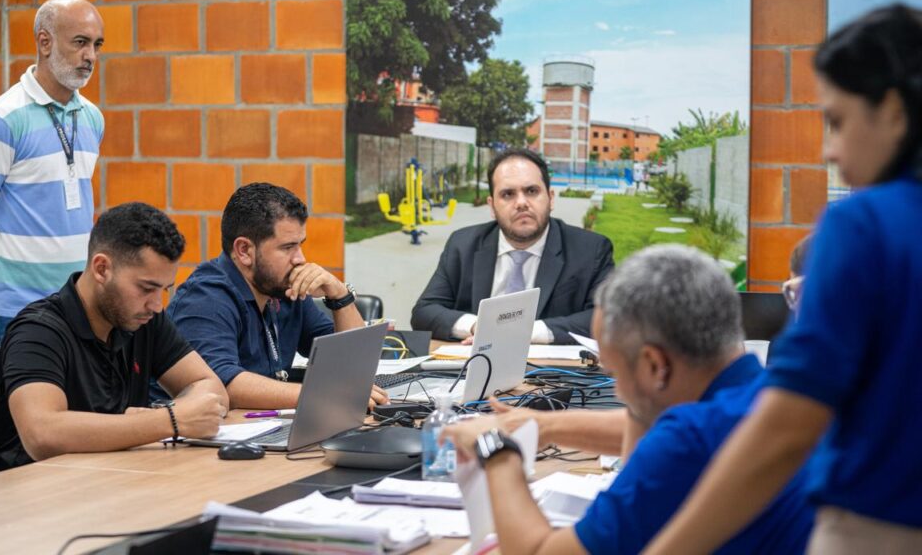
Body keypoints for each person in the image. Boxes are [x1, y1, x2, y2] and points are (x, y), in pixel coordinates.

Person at [646, 4, 922, 555]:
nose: (827, 150)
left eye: (838, 122)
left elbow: (785, 427)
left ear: (892, 112)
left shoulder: (862, 226)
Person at [442, 245, 813, 555]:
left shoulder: (684, 443)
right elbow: (650, 423)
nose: (618, 393)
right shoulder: (778, 399)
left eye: (617, 373)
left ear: (655, 364)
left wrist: (496, 451)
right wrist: (541, 425)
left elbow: (540, 551)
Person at [0, 203, 228, 471]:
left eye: (164, 290)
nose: (157, 304)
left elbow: (211, 386)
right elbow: (41, 434)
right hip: (44, 498)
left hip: (117, 481)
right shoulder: (38, 331)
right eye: (146, 288)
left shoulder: (143, 318)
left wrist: (176, 415)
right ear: (102, 268)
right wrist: (169, 420)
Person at [0, 0, 105, 346]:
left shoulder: (93, 118)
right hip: (18, 307)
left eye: (97, 45)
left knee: (76, 403)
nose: (91, 57)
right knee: (25, 403)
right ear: (45, 41)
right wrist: (21, 246)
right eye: (80, 43)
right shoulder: (2, 120)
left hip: (78, 302)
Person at [161, 183, 389, 410]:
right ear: (244, 251)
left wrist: (339, 295)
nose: (300, 258)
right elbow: (222, 384)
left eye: (300, 245)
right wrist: (325, 394)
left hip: (258, 430)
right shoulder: (205, 298)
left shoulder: (283, 287)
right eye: (287, 247)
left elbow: (351, 365)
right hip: (181, 442)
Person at [411, 149, 614, 344]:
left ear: (551, 198)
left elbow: (605, 318)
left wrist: (525, 332)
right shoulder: (463, 245)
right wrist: (478, 326)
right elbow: (424, 312)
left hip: (551, 374)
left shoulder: (591, 250)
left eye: (531, 191)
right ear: (491, 206)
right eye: (508, 194)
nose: (521, 203)